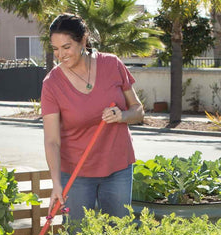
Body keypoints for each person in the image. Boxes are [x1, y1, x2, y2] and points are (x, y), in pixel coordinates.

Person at [41, 13, 144, 222]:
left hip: (118, 168)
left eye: (66, 47)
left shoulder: (112, 65)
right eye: (55, 49)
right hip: (76, 174)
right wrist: (56, 183)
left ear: (83, 41)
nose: (60, 54)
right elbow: (52, 141)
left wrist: (122, 116)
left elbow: (138, 110)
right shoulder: (52, 84)